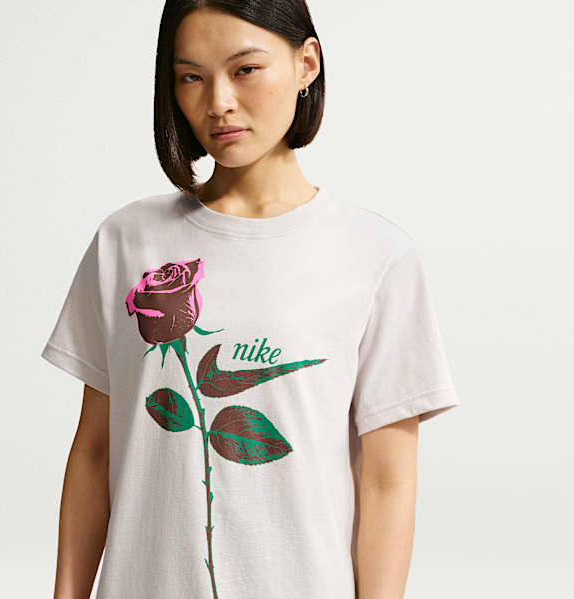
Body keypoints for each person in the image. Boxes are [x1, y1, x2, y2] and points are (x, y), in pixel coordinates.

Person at [41, 2, 460, 598]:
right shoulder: (126, 240)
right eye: (191, 76)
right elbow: (94, 451)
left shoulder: (376, 254)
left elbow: (387, 480)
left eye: (245, 70)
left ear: (306, 63)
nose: (218, 102)